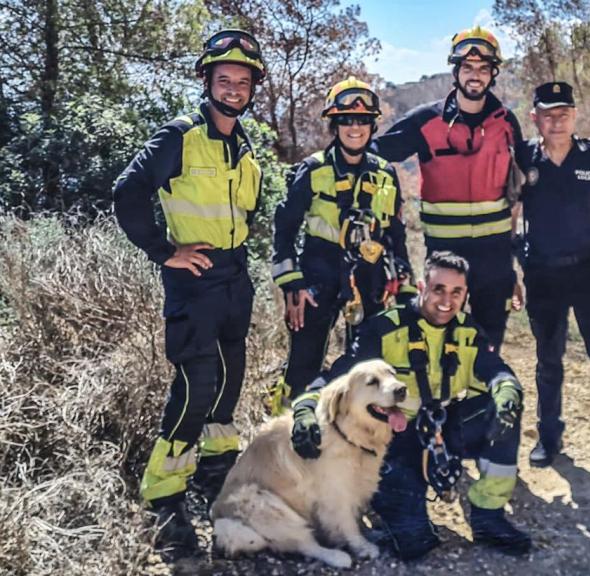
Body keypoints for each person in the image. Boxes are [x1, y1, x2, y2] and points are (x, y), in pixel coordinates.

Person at [112, 29, 267, 551]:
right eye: (224, 80)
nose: (233, 89)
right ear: (207, 82)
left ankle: (215, 477)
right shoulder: (180, 135)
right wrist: (164, 250)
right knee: (196, 388)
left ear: (251, 89)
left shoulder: (244, 145)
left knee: (229, 384)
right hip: (193, 280)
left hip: (234, 279)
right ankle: (163, 498)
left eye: (242, 82)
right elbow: (127, 191)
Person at [289, 251, 532, 560]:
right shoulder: (384, 329)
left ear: (465, 295)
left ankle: (488, 516)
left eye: (456, 292)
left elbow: (495, 370)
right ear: (421, 287)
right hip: (393, 442)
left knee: (503, 406)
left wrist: (508, 393)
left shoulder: (467, 331)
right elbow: (338, 379)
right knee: (415, 544)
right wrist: (304, 410)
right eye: (438, 289)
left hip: (441, 431)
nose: (446, 301)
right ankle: (387, 508)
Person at [373, 26, 524, 351]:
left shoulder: (507, 122)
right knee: (437, 341)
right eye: (468, 68)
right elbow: (373, 154)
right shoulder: (425, 121)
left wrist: (517, 262)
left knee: (488, 343)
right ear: (456, 71)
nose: (475, 76)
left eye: (483, 69)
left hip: (494, 255)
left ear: (493, 74)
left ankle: (483, 400)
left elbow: (523, 184)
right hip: (444, 252)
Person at [266, 76, 408, 415]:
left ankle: (353, 434)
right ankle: (286, 429)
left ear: (373, 126)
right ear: (335, 125)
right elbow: (284, 231)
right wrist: (292, 283)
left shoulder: (386, 174)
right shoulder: (312, 170)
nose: (354, 127)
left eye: (362, 120)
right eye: (346, 120)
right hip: (319, 272)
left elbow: (396, 234)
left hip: (369, 275)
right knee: (305, 359)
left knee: (368, 363)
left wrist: (404, 283)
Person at [514, 81, 590, 468]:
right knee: (548, 359)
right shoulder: (524, 159)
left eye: (563, 113)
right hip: (543, 274)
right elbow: (511, 217)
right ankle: (549, 438)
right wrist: (511, 270)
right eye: (547, 114)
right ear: (535, 118)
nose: (556, 121)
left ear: (574, 115)